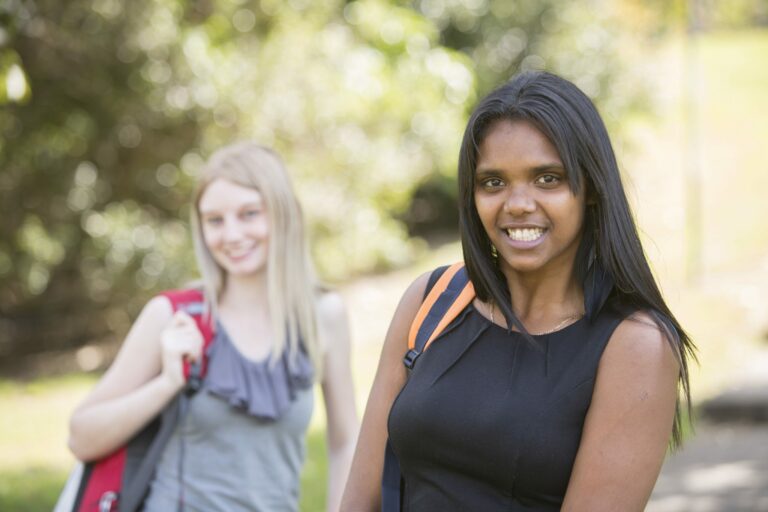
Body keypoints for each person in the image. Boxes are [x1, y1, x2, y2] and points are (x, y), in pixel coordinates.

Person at [340, 71, 695, 511]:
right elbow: (359, 501)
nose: (517, 203)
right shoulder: (435, 299)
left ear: (591, 189)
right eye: (493, 182)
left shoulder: (635, 345)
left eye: (547, 178)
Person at [68, 142, 358, 512]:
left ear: (284, 214)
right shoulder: (173, 316)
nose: (232, 235)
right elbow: (81, 436)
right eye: (215, 220)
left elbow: (345, 441)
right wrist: (166, 384)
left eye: (249, 213)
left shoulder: (324, 316)